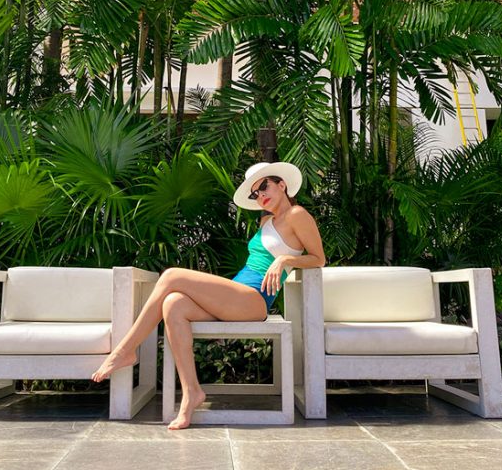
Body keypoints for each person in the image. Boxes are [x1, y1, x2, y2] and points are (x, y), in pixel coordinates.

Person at [91, 161, 326, 429]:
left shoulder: (297, 214)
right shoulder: (266, 221)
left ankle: (125, 350)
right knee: (174, 304)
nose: (261, 196)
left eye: (264, 187)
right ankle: (192, 392)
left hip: (255, 300)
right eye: (255, 193)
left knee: (171, 276)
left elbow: (318, 258)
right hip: (237, 294)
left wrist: (285, 260)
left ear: (282, 184)